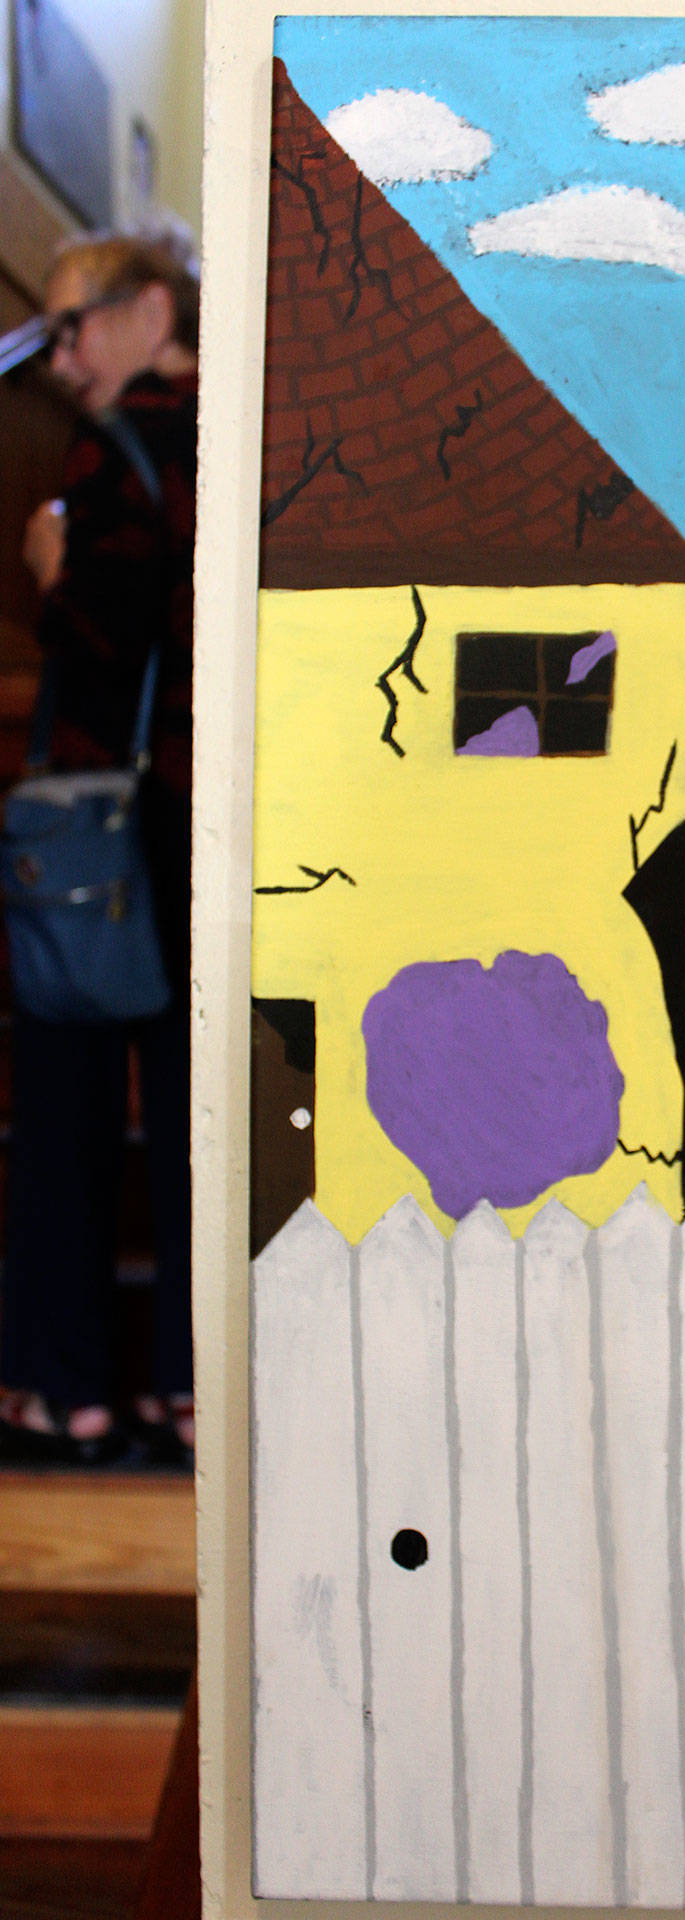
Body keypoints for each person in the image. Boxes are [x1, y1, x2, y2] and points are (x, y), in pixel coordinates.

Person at [0, 234, 198, 1463]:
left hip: (98, 819)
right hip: (202, 813)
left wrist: (49, 566)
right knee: (191, 1108)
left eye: (74, 325)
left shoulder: (117, 447)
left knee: (66, 1097)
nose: (63, 358)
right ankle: (191, 1384)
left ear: (152, 310)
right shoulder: (246, 437)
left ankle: (64, 1388)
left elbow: (105, 630)